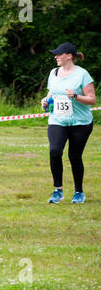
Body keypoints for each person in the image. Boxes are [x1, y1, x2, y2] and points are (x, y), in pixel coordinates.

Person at [41, 42, 96, 204]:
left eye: (59, 54)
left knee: (74, 156)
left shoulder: (82, 74)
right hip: (57, 119)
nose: (56, 56)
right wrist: (45, 101)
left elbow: (92, 100)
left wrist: (75, 96)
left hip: (80, 122)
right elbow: (51, 93)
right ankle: (58, 190)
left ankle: (79, 191)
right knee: (55, 151)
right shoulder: (54, 72)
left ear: (69, 56)